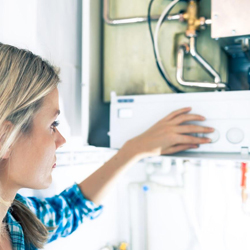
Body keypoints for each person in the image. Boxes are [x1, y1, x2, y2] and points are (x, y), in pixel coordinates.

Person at [0, 43, 213, 250]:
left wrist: (134, 150)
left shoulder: (17, 220)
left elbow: (72, 208)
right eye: (52, 125)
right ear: (5, 136)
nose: (61, 140)